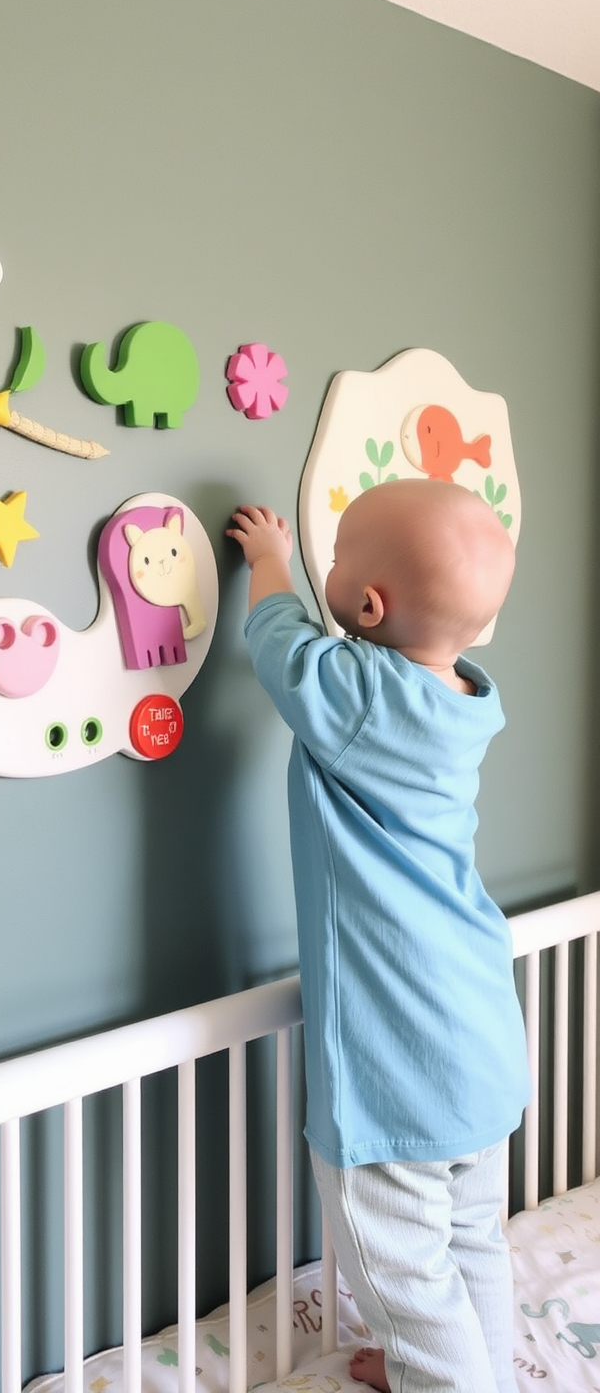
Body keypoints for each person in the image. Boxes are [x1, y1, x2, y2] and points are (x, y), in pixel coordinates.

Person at [227, 479, 530, 1393]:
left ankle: (446, 1378)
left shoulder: (359, 696)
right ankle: (482, 1374)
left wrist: (270, 560)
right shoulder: (464, 700)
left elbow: (278, 645)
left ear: (365, 606)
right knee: (472, 1237)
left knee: (404, 1280)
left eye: (335, 558)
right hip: (478, 1042)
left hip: (400, 1071)